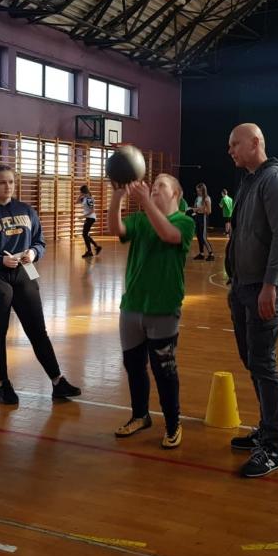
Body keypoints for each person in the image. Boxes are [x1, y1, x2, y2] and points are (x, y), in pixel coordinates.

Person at [0, 165, 82, 404]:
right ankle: (4, 385)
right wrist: (0, 260)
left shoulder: (26, 210)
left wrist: (33, 252)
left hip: (24, 274)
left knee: (38, 331)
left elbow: (40, 241)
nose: (8, 186)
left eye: (11, 182)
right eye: (2, 182)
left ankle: (57, 381)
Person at [226, 123, 278, 478]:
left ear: (256, 142)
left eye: (235, 144)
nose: (230, 151)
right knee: (252, 360)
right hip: (243, 286)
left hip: (264, 287)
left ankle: (272, 446)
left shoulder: (275, 180)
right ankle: (265, 428)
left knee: (263, 363)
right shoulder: (250, 181)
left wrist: (270, 284)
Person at [108, 174, 194, 449]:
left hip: (163, 308)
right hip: (132, 306)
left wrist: (145, 201)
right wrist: (117, 196)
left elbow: (168, 235)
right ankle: (140, 416)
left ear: (176, 194)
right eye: (153, 185)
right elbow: (115, 228)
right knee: (134, 367)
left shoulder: (184, 221)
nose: (154, 188)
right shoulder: (140, 219)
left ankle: (173, 424)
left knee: (164, 371)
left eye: (161, 186)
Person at [78, 185, 103, 259]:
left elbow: (92, 211)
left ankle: (90, 251)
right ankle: (96, 247)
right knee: (85, 234)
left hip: (91, 218)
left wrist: (83, 216)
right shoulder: (84, 198)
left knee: (84, 234)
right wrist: (80, 195)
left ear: (84, 191)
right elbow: (77, 202)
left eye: (81, 192)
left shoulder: (89, 199)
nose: (80, 193)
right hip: (88, 218)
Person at [192, 183, 215, 261]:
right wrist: (194, 209)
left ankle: (211, 254)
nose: (197, 192)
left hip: (203, 217)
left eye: (199, 191)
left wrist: (199, 209)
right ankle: (201, 254)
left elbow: (209, 211)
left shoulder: (207, 198)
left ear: (203, 190)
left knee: (203, 237)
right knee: (198, 236)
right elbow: (196, 207)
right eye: (197, 191)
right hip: (198, 217)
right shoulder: (198, 198)